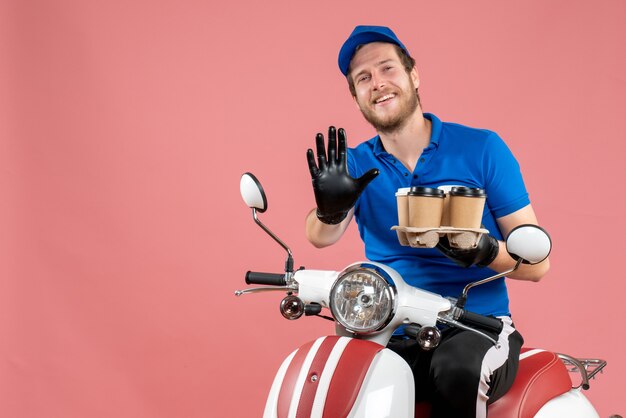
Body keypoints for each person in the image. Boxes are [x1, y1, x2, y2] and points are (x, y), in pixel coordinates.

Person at [305, 25, 550, 418]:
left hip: (474, 327)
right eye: (363, 78)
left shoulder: (482, 149)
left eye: (387, 69)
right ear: (356, 97)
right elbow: (320, 237)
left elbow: (537, 265)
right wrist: (329, 210)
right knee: (332, 376)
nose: (378, 84)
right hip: (387, 326)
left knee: (456, 370)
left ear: (413, 75)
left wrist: (482, 251)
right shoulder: (354, 166)